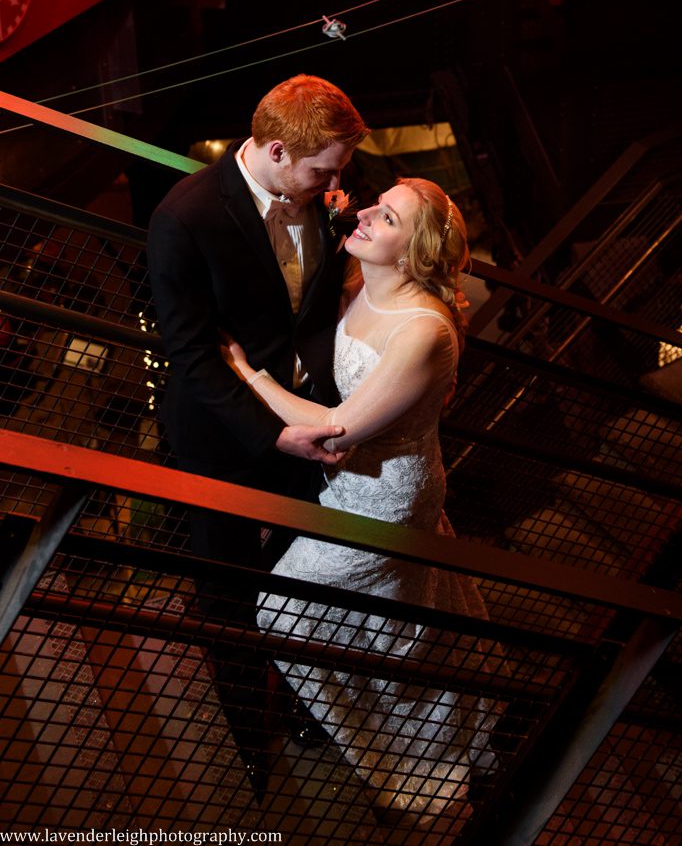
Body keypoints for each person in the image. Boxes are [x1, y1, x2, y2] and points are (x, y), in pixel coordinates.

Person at [226, 178, 499, 817]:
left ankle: (389, 764)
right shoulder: (362, 285)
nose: (368, 213)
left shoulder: (425, 332)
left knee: (281, 609)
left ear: (412, 254)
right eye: (377, 203)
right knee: (391, 631)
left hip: (387, 501)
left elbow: (331, 429)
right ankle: (449, 737)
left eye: (389, 218)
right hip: (343, 482)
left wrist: (242, 373)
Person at [146, 72, 368, 794]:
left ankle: (311, 703)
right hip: (222, 437)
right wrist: (269, 435)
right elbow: (190, 352)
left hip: (306, 420)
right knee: (228, 592)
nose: (338, 183)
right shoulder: (186, 216)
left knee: (311, 581)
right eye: (325, 170)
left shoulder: (322, 202)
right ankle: (250, 733)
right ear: (277, 150)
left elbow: (306, 311)